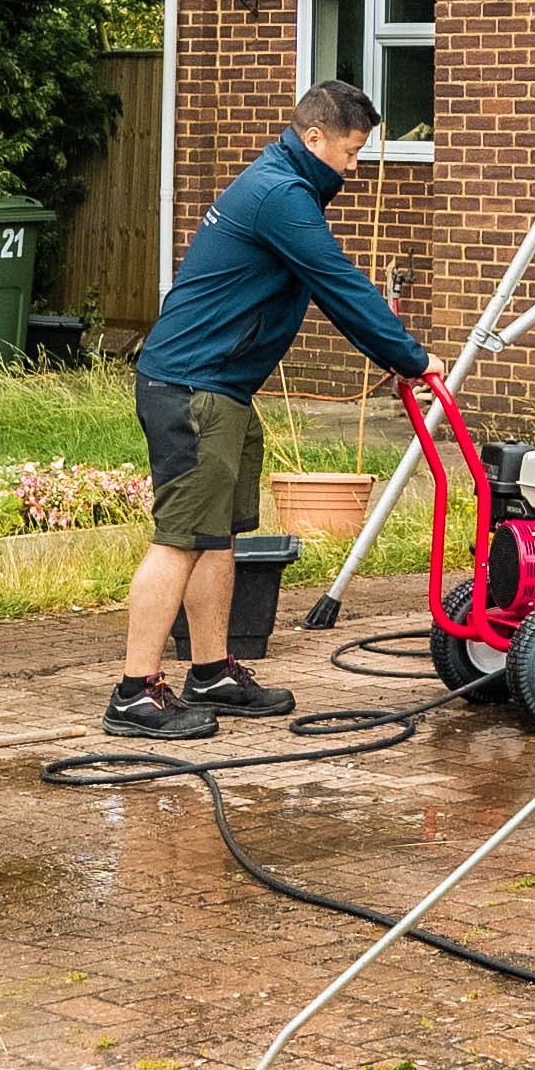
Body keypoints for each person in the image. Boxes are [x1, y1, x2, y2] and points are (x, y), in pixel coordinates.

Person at [108, 80, 430, 739]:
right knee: (179, 540)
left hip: (222, 388)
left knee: (217, 537)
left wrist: (398, 357)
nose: (355, 164)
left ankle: (212, 672)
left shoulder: (282, 184)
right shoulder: (282, 196)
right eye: (350, 149)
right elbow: (340, 284)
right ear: (314, 138)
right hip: (193, 388)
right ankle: (134, 692)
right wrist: (413, 359)